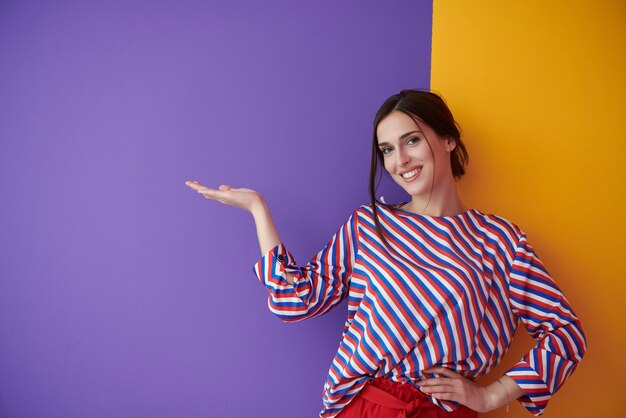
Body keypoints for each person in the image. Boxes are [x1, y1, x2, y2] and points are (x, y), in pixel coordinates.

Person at [185, 90, 587, 418]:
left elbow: (566, 335)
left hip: (444, 412)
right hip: (367, 405)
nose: (401, 160)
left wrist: (491, 396)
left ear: (449, 139)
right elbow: (295, 299)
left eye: (412, 140)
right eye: (387, 150)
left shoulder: (501, 241)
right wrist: (258, 208)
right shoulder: (370, 225)